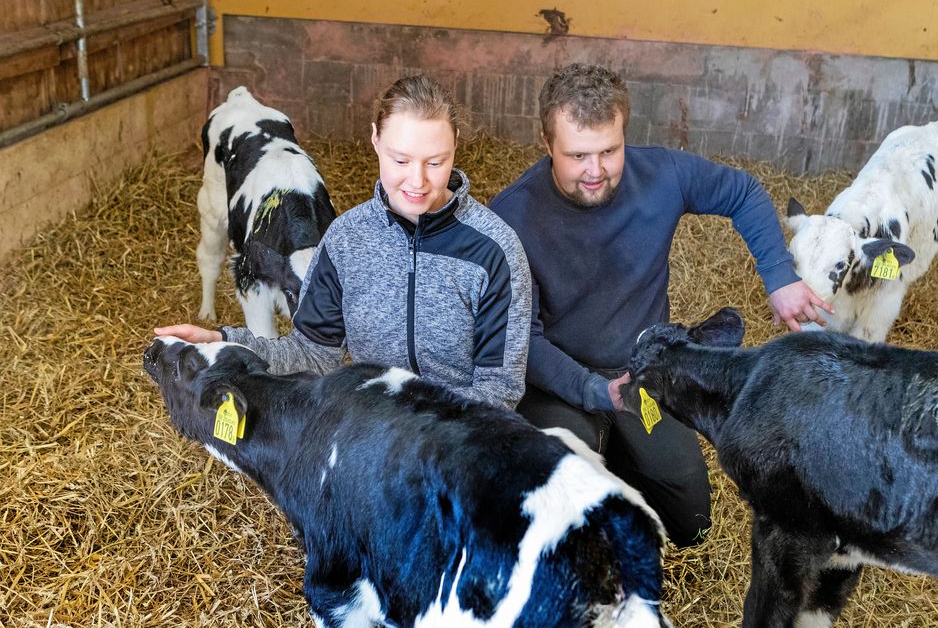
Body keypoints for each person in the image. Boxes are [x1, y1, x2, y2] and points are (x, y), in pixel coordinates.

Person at [488, 63, 832, 545]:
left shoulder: (661, 174)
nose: (596, 171)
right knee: (564, 506)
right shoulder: (510, 218)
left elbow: (744, 193)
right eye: (578, 155)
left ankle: (627, 453)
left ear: (625, 134)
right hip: (558, 383)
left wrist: (779, 277)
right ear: (548, 146)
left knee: (691, 524)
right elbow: (522, 338)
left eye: (609, 151)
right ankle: (600, 445)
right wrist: (593, 392)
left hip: (642, 374)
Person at [156, 75, 531, 408]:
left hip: (460, 444)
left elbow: (499, 390)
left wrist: (416, 432)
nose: (417, 182)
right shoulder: (346, 240)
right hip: (369, 435)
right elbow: (310, 354)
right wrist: (223, 343)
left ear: (456, 146)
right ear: (375, 140)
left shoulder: (494, 250)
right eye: (400, 160)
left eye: (435, 162)